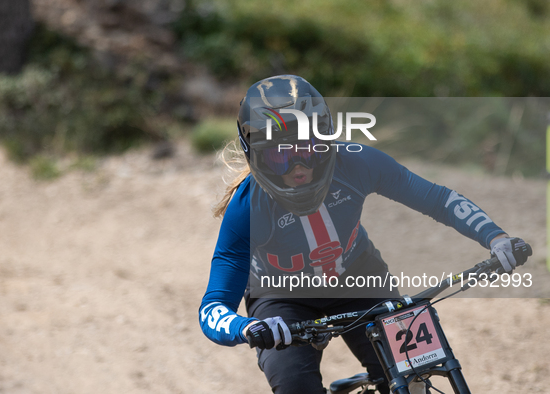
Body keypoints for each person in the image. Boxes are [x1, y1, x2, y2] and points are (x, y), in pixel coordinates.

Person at [198, 75, 530, 394]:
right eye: (279, 154)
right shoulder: (246, 207)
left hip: (360, 277)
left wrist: (495, 237)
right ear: (254, 155)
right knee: (297, 387)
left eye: (309, 148)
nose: (298, 166)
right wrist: (247, 328)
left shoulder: (356, 163)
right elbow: (213, 307)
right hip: (283, 300)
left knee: (415, 373)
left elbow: (436, 198)